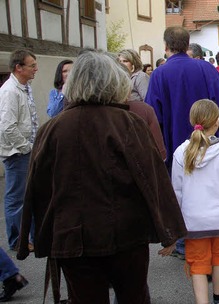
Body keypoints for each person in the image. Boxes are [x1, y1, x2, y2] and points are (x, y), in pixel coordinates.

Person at [16, 50, 186, 303]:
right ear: (114, 82)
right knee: (134, 297)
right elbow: (154, 179)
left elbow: (37, 190)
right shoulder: (128, 123)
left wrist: (39, 237)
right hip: (125, 236)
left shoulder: (51, 129)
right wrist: (169, 230)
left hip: (72, 237)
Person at [172, 100, 219, 304]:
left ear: (192, 121)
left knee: (198, 264)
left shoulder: (180, 153)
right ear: (217, 121)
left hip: (193, 220)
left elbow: (177, 191)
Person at [145, 26, 219, 172]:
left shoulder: (159, 74)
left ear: (166, 46)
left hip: (173, 149)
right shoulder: (207, 69)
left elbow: (153, 117)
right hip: (208, 146)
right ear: (187, 44)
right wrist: (218, 136)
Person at [0, 49, 38, 251]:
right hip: (17, 153)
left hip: (26, 150)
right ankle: (17, 241)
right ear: (18, 67)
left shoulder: (24, 87)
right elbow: (7, 127)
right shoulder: (9, 91)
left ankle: (29, 237)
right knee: (16, 197)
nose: (36, 69)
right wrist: (26, 147)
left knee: (28, 195)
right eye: (32, 65)